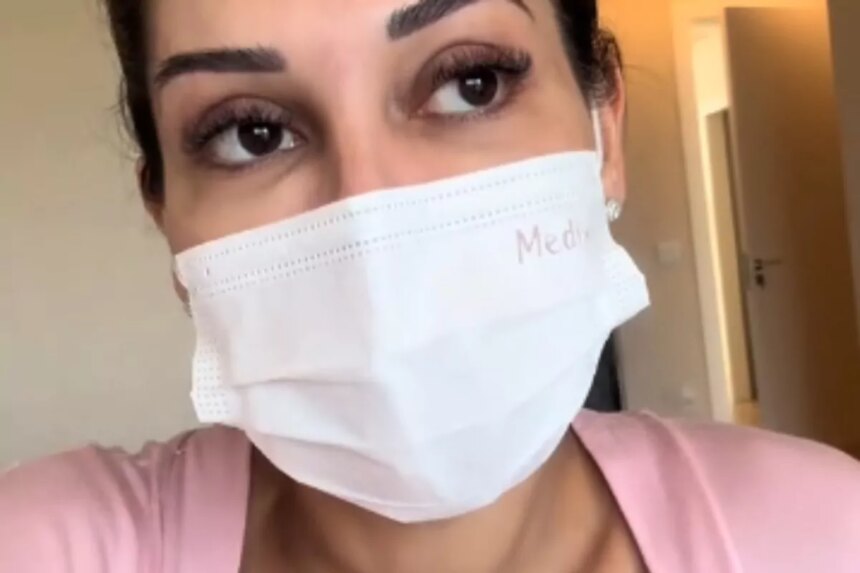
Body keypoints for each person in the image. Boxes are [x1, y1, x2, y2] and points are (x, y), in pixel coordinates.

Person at [1, 0, 859, 571]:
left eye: (469, 83)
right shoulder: (49, 544)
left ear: (605, 133)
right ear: (168, 222)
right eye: (252, 133)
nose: (369, 215)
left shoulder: (823, 531)